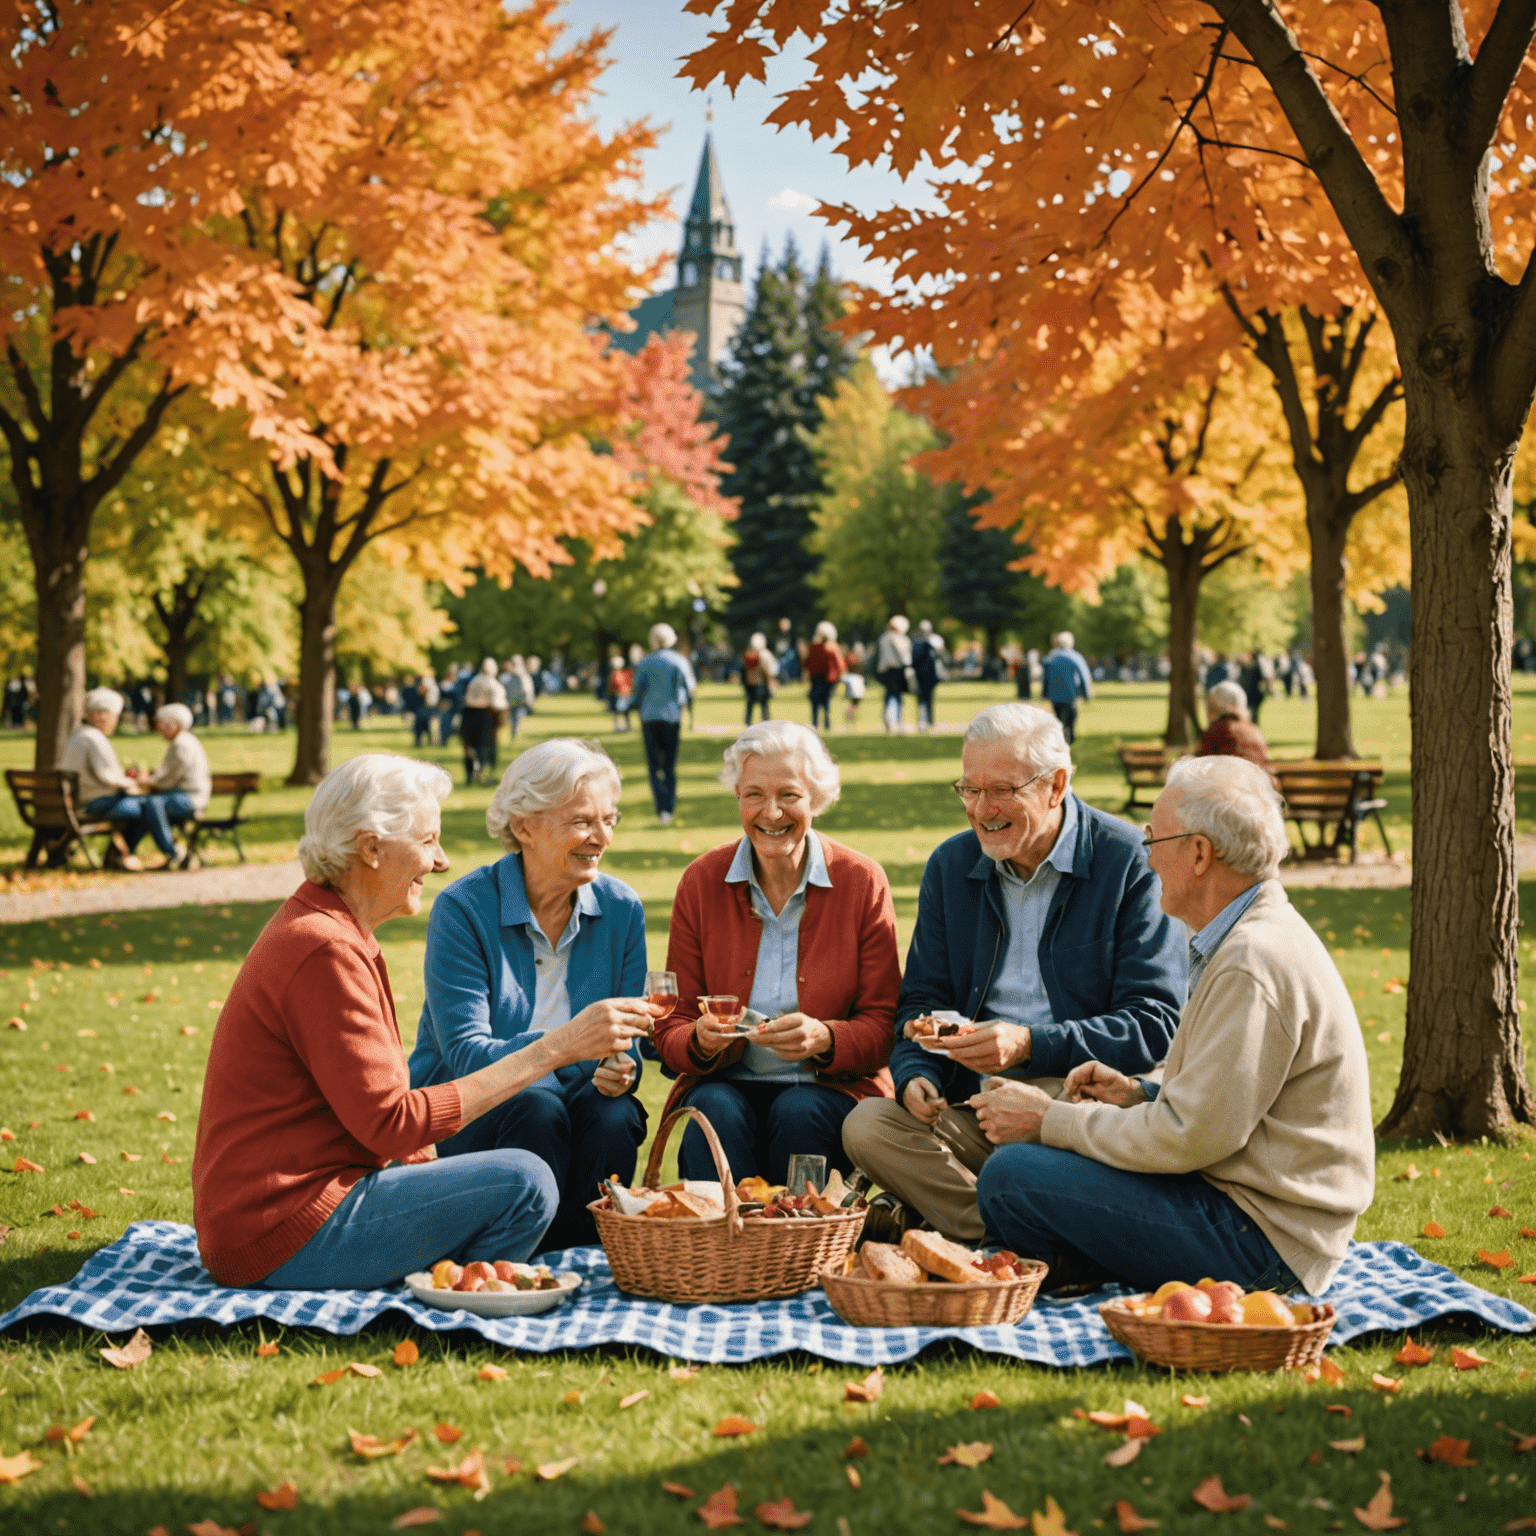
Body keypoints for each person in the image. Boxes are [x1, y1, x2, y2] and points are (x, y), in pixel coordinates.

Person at [972, 757, 1373, 1295]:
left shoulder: (1252, 960)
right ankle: (1076, 1264)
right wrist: (1140, 1093)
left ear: (1201, 853)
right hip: (1256, 1214)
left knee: (1010, 1175)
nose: (1147, 854)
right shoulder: (1248, 935)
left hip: (1264, 1243)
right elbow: (1233, 1102)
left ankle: (1067, 1267)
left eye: (1154, 837)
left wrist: (1050, 1120)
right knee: (1024, 1170)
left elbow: (1192, 1138)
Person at [192, 755, 565, 1288]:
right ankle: (460, 1293)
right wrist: (553, 1050)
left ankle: (448, 1280)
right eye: (428, 840)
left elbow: (376, 1109)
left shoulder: (333, 930)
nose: (440, 861)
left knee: (513, 1146)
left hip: (283, 1214)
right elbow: (391, 1123)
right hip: (280, 1230)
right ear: (370, 848)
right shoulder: (324, 947)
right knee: (527, 1181)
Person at [842, 703, 1185, 1244]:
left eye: (1002, 790)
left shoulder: (1127, 863)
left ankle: (951, 1224)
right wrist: (915, 1076)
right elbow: (918, 1005)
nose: (982, 809)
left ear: (1056, 786)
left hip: (1075, 1102)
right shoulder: (951, 867)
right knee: (867, 1125)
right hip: (976, 1106)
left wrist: (1028, 1045)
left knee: (1032, 1150)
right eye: (970, 790)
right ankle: (1017, 1235)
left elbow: (1156, 1023)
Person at [409, 740, 652, 1252]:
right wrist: (570, 1045)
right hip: (475, 1108)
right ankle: (522, 1261)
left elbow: (624, 1044)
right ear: (523, 826)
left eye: (610, 819)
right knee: (538, 1106)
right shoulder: (463, 908)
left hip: (574, 1099)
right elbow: (468, 1057)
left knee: (616, 1113)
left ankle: (587, 1259)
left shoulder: (622, 908)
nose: (601, 837)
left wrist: (620, 1070)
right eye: (582, 821)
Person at [655, 722, 899, 1184]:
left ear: (816, 799)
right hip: (725, 1082)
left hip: (828, 1090)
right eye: (753, 795)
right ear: (737, 798)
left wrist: (825, 1038)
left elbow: (885, 1026)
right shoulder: (702, 882)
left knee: (798, 1110)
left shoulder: (862, 881)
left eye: (789, 795)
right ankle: (721, 1250)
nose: (771, 813)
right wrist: (700, 1041)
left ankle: (801, 1249)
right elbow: (671, 1024)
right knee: (713, 1107)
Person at [59, 688, 183, 871]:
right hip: (91, 803)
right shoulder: (94, 739)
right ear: (100, 715)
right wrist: (134, 783)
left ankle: (121, 854)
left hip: (80, 799)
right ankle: (164, 852)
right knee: (148, 807)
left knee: (145, 807)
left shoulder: (79, 735)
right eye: (114, 717)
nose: (115, 722)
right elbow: (109, 778)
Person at [629, 623, 696, 827]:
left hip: (649, 717)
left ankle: (661, 808)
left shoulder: (646, 663)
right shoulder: (679, 661)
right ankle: (669, 806)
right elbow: (690, 686)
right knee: (669, 764)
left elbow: (637, 691)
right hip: (671, 716)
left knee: (653, 765)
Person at [142, 704, 211, 865]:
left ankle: (173, 852)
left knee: (152, 804)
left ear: (176, 724)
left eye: (163, 724)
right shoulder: (181, 742)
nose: (159, 728)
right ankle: (127, 850)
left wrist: (148, 782)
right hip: (183, 796)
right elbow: (169, 773)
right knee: (145, 806)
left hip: (190, 798)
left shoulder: (182, 745)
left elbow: (169, 779)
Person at [1195, 680, 1273, 775]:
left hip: (1237, 784)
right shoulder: (1253, 728)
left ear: (1216, 706)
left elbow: (1199, 765)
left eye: (1211, 704)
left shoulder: (1218, 730)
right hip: (1264, 783)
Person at [460, 658, 507, 786]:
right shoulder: (491, 683)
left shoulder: (475, 681)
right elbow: (499, 704)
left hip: (471, 716)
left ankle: (473, 776)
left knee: (471, 748)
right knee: (483, 748)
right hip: (485, 718)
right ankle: (481, 776)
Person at [1040, 631, 1092, 744]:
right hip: (1071, 694)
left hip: (1055, 696)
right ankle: (1068, 739)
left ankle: (1061, 739)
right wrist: (1087, 693)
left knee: (1059, 718)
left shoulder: (1051, 658)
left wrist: (1044, 693)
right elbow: (1084, 676)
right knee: (1070, 718)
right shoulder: (1075, 657)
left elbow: (1045, 679)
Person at [804, 621, 845, 732]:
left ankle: (815, 724)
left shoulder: (814, 647)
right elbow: (840, 665)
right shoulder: (833, 648)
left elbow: (807, 663)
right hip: (828, 679)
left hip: (817, 678)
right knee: (826, 702)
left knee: (815, 702)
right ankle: (827, 725)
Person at [912, 620, 947, 732]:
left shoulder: (934, 640)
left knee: (926, 698)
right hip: (922, 673)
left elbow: (942, 656)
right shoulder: (917, 641)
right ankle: (925, 721)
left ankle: (927, 721)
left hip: (930, 674)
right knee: (924, 698)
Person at [741, 632, 777, 724]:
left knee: (750, 705)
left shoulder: (748, 654)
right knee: (764, 706)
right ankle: (766, 723)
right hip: (761, 683)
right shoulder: (765, 654)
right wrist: (771, 682)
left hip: (750, 684)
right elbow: (769, 670)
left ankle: (748, 722)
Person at [603, 655, 633, 731]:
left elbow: (629, 683)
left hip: (624, 695)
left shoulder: (626, 673)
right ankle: (617, 727)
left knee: (625, 712)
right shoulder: (613, 674)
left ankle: (627, 726)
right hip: (615, 695)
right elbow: (612, 686)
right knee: (615, 712)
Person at [843, 644, 867, 728]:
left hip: (855, 680)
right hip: (854, 680)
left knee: (855, 702)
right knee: (854, 702)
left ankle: (851, 719)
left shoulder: (855, 657)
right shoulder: (853, 658)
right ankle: (850, 720)